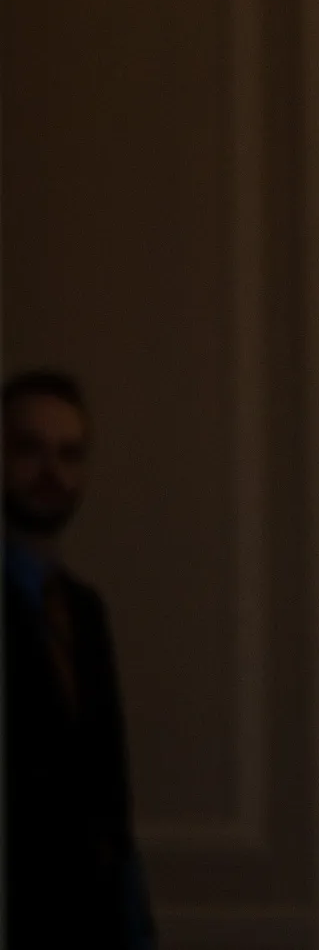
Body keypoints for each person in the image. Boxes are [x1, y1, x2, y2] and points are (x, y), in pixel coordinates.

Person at [4, 369, 156, 950]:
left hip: (92, 915)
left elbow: (108, 785)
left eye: (69, 454)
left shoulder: (85, 611)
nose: (52, 472)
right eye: (30, 450)